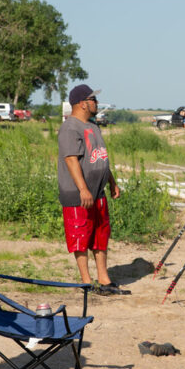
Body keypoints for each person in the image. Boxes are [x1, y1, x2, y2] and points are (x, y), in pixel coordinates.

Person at [58, 84, 127, 295]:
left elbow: (101, 158)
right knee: (80, 235)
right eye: (93, 100)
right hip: (79, 194)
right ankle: (86, 282)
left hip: (98, 192)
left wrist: (111, 181)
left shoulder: (93, 126)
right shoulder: (70, 128)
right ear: (82, 103)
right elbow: (71, 160)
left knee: (100, 234)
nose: (96, 103)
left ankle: (104, 279)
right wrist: (82, 189)